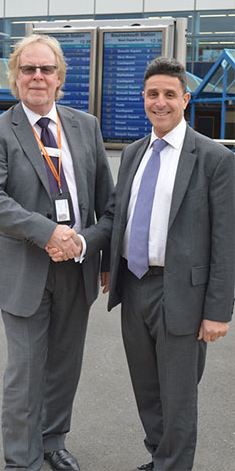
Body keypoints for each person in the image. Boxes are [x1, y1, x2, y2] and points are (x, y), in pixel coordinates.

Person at [54, 56, 235, 470]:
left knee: (179, 395)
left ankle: (174, 464)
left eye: (169, 94)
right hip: (134, 286)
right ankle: (161, 456)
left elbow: (227, 240)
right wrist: (80, 242)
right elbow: (116, 218)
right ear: (143, 99)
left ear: (185, 99)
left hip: (183, 294)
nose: (160, 102)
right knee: (148, 390)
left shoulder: (213, 159)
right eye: (153, 94)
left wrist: (217, 311)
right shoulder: (134, 153)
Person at [0, 34, 113, 471]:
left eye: (46, 69)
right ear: (15, 76)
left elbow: (108, 205)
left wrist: (91, 247)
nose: (37, 77)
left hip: (77, 267)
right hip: (25, 271)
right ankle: (22, 461)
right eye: (28, 69)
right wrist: (48, 233)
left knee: (63, 366)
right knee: (25, 372)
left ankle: (51, 440)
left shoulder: (86, 125)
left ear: (60, 77)